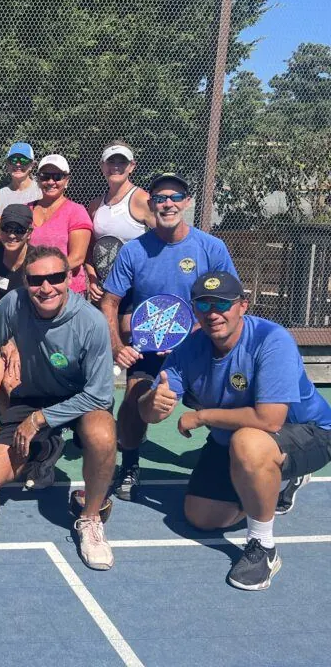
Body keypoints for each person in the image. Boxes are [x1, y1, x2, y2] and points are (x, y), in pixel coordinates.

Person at [139, 272, 331, 591]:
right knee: (201, 517)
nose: (213, 312)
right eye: (204, 304)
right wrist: (151, 402)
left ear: (242, 305)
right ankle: (275, 483)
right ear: (195, 310)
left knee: (249, 442)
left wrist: (202, 416)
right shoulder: (188, 350)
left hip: (309, 432)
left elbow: (269, 420)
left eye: (222, 303)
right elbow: (152, 410)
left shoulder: (272, 339)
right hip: (231, 440)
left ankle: (263, 547)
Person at [0, 246, 117, 571]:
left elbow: (99, 395)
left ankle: (90, 519)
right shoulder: (14, 303)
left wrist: (41, 419)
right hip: (33, 396)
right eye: (37, 280)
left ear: (68, 279)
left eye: (55, 277)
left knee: (102, 434)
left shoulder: (90, 322)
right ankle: (44, 450)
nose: (46, 287)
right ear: (26, 281)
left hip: (81, 401)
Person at [102, 173, 238, 502]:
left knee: (230, 403)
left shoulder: (211, 247)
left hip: (198, 347)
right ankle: (131, 465)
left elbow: (230, 301)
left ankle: (239, 464)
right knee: (135, 400)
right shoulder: (134, 251)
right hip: (148, 350)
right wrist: (118, 348)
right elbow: (109, 302)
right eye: (161, 198)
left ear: (187, 202)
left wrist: (200, 333)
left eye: (176, 197)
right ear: (151, 203)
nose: (168, 204)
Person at [85, 142, 153, 306]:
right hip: (104, 291)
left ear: (132, 166)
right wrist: (92, 278)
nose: (116, 167)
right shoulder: (95, 205)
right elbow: (89, 248)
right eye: (111, 161)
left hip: (135, 291)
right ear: (102, 166)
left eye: (122, 162)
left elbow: (166, 240)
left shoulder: (142, 199)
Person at [28, 154, 92, 296]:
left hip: (67, 290)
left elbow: (77, 257)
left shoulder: (76, 211)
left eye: (57, 176)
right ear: (38, 179)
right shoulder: (26, 210)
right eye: (45, 176)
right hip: (34, 290)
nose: (51, 182)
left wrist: (45, 275)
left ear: (67, 180)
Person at [0, 203, 33, 303]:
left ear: (29, 232)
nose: (11, 235)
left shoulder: (37, 260)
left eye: (19, 230)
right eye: (6, 228)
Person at [0, 142, 41, 210]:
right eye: (13, 160)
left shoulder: (41, 192)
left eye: (23, 160)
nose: (18, 164)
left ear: (32, 165)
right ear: (7, 164)